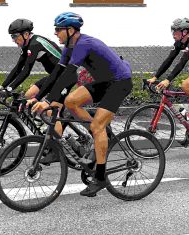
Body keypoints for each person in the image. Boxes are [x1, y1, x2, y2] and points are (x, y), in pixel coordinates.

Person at [30, 12, 132, 197]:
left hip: (120, 82)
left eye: (58, 29)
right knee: (70, 102)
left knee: (97, 126)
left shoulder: (83, 44)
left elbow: (69, 75)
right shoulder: (69, 47)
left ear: (70, 30)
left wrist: (47, 102)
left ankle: (100, 177)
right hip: (104, 82)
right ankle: (100, 133)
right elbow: (57, 74)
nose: (55, 33)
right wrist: (39, 97)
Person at [0, 18, 61, 104]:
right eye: (12, 36)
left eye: (15, 36)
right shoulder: (27, 45)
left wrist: (9, 89)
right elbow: (18, 68)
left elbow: (26, 71)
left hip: (63, 76)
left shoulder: (35, 44)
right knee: (29, 95)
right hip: (55, 76)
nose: (13, 40)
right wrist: (2, 87)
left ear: (26, 34)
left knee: (35, 98)